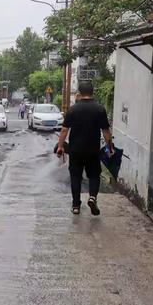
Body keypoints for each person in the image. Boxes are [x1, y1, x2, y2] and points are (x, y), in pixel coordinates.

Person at [56, 80, 113, 216]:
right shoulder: (100, 109)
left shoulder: (73, 109)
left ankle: (76, 206)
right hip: (93, 150)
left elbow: (64, 130)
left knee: (75, 177)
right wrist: (110, 147)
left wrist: (60, 146)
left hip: (75, 151)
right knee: (94, 175)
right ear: (92, 92)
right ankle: (92, 197)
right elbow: (105, 131)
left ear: (79, 94)